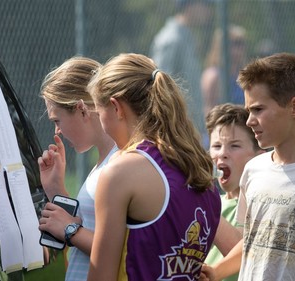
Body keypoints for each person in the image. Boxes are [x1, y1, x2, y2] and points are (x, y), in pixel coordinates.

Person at [200, 52, 295, 281]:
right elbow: (254, 240)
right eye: (248, 112)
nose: (249, 121)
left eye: (258, 110)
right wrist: (217, 271)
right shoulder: (253, 170)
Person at [86, 53, 222, 281]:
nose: (101, 124)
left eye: (99, 114)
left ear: (116, 107)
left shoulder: (120, 173)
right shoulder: (199, 170)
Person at [37, 57, 117, 281]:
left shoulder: (120, 165)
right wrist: (56, 189)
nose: (57, 131)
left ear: (82, 110)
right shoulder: (103, 163)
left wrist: (71, 230)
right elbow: (88, 228)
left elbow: (120, 250)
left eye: (58, 120)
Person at [204, 103, 264, 281]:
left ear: (258, 157)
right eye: (216, 146)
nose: (222, 154)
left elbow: (244, 254)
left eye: (234, 146)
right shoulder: (213, 201)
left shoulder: (260, 202)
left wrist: (201, 197)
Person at [149, 0, 216, 135]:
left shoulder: (187, 37)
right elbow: (160, 86)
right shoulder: (171, 39)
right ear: (190, 5)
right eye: (205, 5)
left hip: (190, 126)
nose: (209, 11)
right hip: (176, 129)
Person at [201, 25, 248, 116]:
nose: (238, 49)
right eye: (233, 44)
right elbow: (209, 109)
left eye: (240, 43)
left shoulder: (245, 74)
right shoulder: (213, 75)